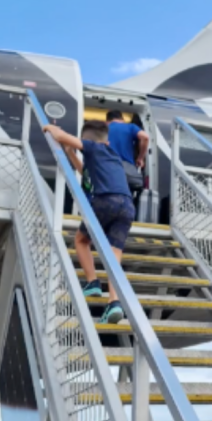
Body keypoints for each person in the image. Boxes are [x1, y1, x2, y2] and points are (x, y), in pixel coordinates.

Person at [44, 121, 134, 324]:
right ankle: (114, 302)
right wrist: (71, 154)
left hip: (105, 201)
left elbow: (61, 137)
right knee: (114, 256)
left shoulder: (93, 147)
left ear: (85, 141)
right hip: (127, 206)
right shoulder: (113, 157)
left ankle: (93, 282)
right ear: (107, 141)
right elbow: (86, 172)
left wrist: (49, 127)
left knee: (81, 240)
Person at [105, 110, 149, 209]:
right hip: (126, 172)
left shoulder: (104, 128)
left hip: (107, 169)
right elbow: (145, 137)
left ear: (107, 120)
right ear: (122, 119)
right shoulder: (130, 127)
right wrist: (140, 158)